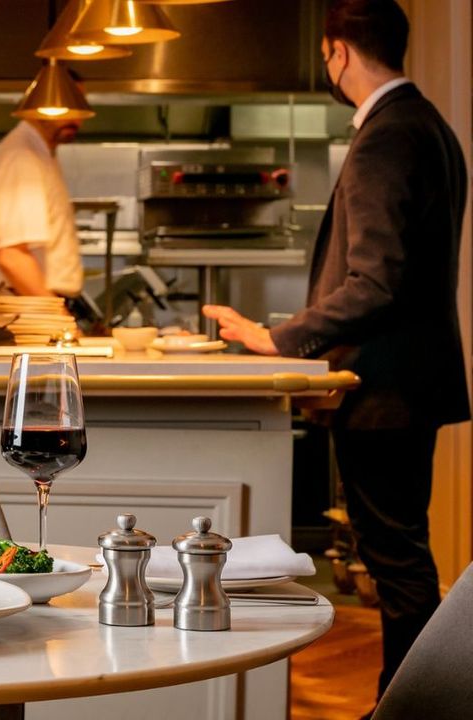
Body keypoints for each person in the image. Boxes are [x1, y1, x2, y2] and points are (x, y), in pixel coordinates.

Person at [203, 0, 469, 706]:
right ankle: (412, 699)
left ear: (338, 52)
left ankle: (410, 704)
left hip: (383, 389)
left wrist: (279, 337)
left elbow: (374, 282)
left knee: (397, 562)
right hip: (411, 382)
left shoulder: (387, 135)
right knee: (402, 556)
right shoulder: (430, 127)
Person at [0, 117, 84, 297]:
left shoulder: (41, 151)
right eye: (64, 107)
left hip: (33, 302)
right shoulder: (21, 156)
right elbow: (13, 258)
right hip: (25, 305)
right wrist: (57, 317)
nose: (76, 119)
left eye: (79, 107)